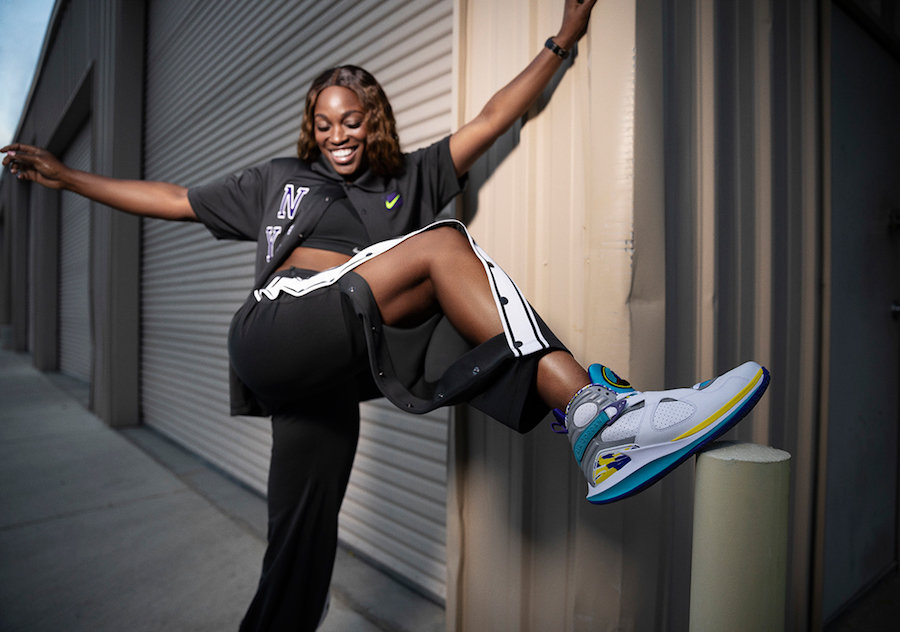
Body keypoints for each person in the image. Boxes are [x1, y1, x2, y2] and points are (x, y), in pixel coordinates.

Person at [3, 1, 769, 629]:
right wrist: (71, 177)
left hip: (330, 374)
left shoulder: (412, 177)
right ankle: (602, 416)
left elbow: (495, 116)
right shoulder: (280, 179)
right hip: (276, 328)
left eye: (352, 121)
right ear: (312, 127)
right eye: (324, 123)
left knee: (302, 543)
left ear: (374, 120)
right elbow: (174, 199)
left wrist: (560, 42)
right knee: (444, 248)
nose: (338, 136)